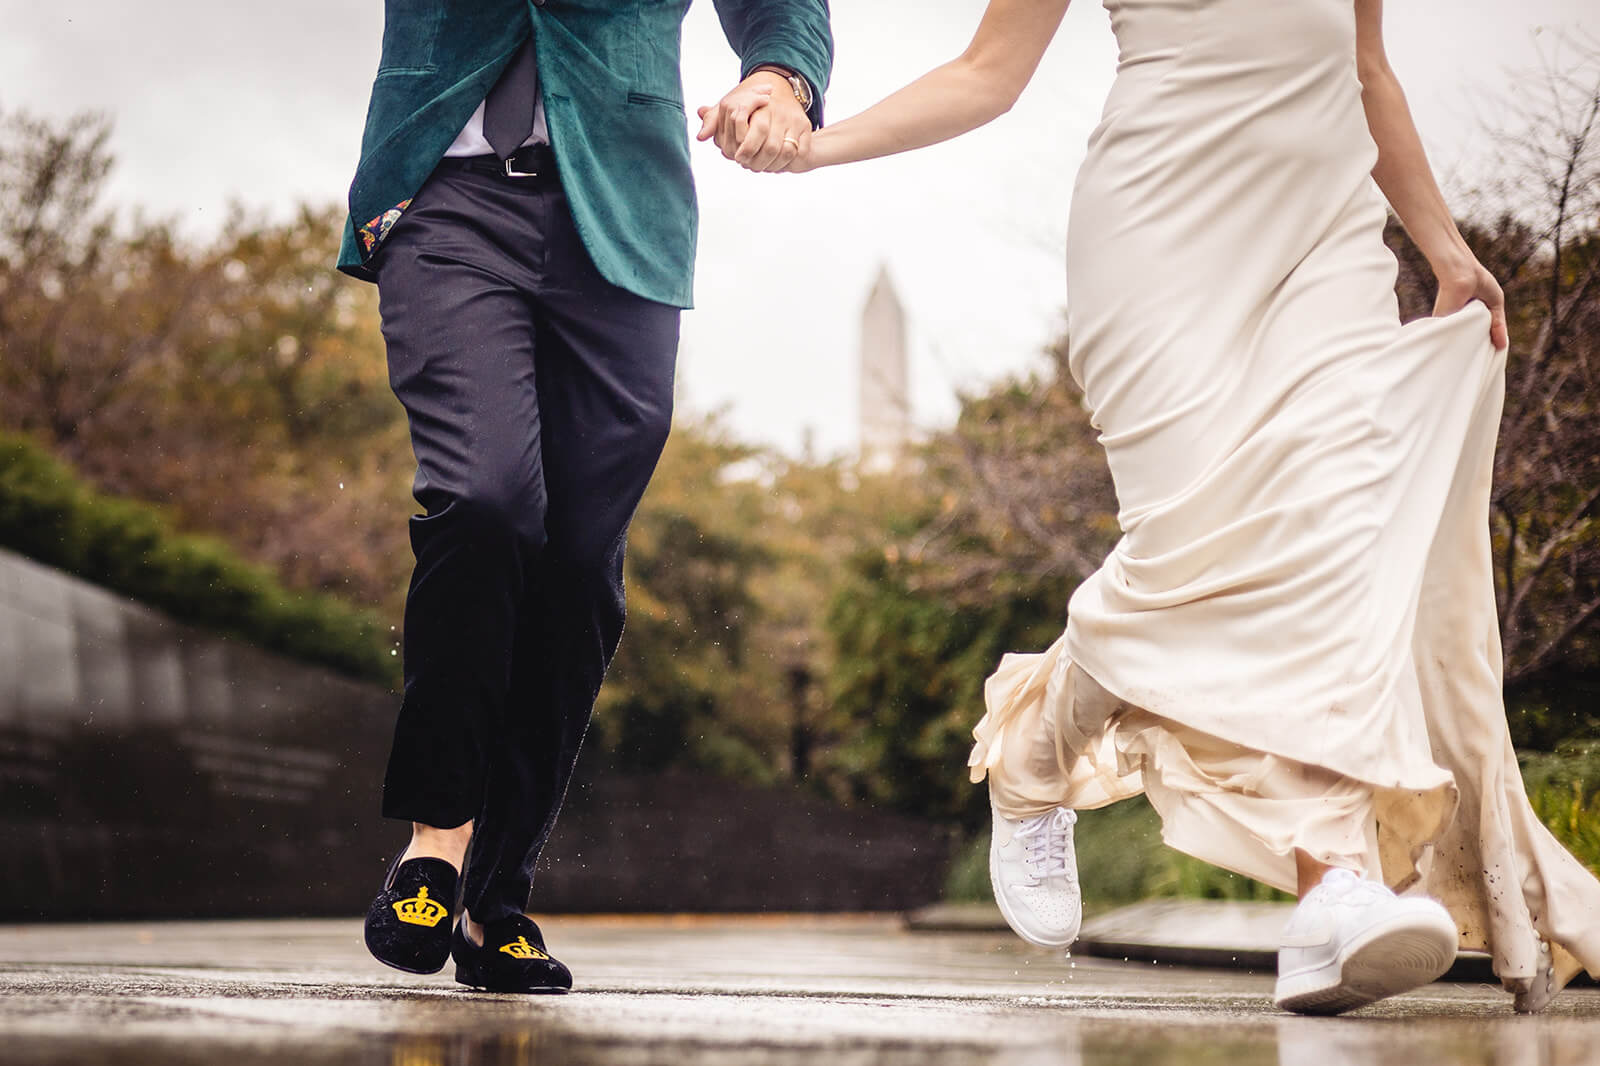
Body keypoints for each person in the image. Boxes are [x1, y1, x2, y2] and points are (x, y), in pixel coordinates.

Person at [704, 0, 1600, 1014]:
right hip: (1160, 246)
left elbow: (1366, 70)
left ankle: (1333, 890)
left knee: (1329, 547)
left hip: (1326, 248)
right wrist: (816, 150)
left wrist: (1440, 246)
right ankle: (1038, 744)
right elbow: (987, 73)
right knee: (1191, 555)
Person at [340, 0, 832, 994]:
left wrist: (779, 75)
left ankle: (495, 899)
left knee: (576, 563)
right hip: (446, 196)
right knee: (483, 500)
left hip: (627, 217)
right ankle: (437, 839)